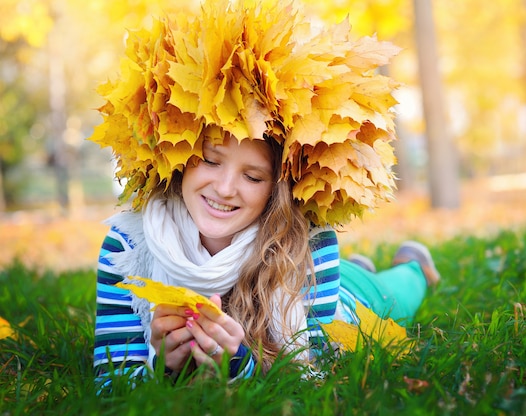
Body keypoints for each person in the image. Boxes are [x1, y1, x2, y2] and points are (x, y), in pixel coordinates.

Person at [90, 0, 440, 389]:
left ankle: (413, 265)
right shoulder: (128, 249)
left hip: (351, 305)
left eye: (253, 177)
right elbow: (111, 385)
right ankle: (359, 268)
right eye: (209, 160)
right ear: (179, 155)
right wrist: (166, 369)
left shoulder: (308, 245)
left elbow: (314, 375)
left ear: (278, 189)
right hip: (325, 286)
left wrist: (239, 364)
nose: (224, 188)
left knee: (396, 296)